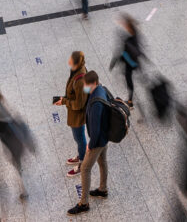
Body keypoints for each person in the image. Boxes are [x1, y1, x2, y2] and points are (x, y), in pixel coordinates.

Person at [67, 71, 110, 216]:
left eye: (86, 84)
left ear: (93, 83)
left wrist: (90, 145)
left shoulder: (97, 102)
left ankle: (83, 203)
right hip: (105, 137)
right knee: (102, 162)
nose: (84, 86)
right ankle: (103, 190)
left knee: (85, 169)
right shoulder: (101, 90)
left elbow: (96, 129)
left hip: (98, 141)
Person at [54, 51, 89, 177]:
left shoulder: (80, 80)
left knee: (79, 139)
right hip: (74, 113)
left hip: (78, 116)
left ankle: (82, 164)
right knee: (78, 138)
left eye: (70, 59)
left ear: (75, 62)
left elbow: (79, 104)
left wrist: (64, 101)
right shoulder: (76, 71)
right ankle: (81, 155)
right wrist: (64, 99)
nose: (68, 60)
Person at [110, 15, 144, 109]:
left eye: (125, 25)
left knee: (129, 81)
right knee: (129, 79)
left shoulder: (128, 39)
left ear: (129, 27)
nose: (124, 26)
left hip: (130, 63)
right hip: (133, 62)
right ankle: (130, 100)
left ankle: (130, 101)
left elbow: (122, 52)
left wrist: (114, 62)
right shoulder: (134, 34)